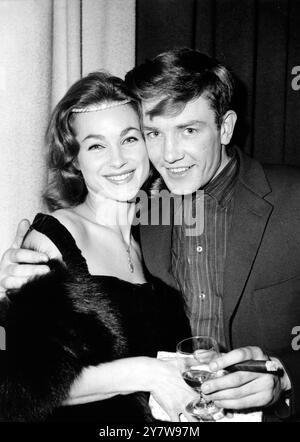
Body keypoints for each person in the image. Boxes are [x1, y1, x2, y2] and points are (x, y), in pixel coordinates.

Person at [1, 48, 300, 422]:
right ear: (75, 158)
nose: (170, 154)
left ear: (224, 127)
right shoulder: (71, 236)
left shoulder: (290, 199)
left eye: (189, 130)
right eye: (154, 133)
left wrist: (286, 378)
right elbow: (19, 376)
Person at [0, 71, 197, 422]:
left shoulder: (153, 229)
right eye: (96, 145)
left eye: (130, 139)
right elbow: (20, 386)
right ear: (74, 159)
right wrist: (144, 372)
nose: (118, 159)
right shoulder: (53, 240)